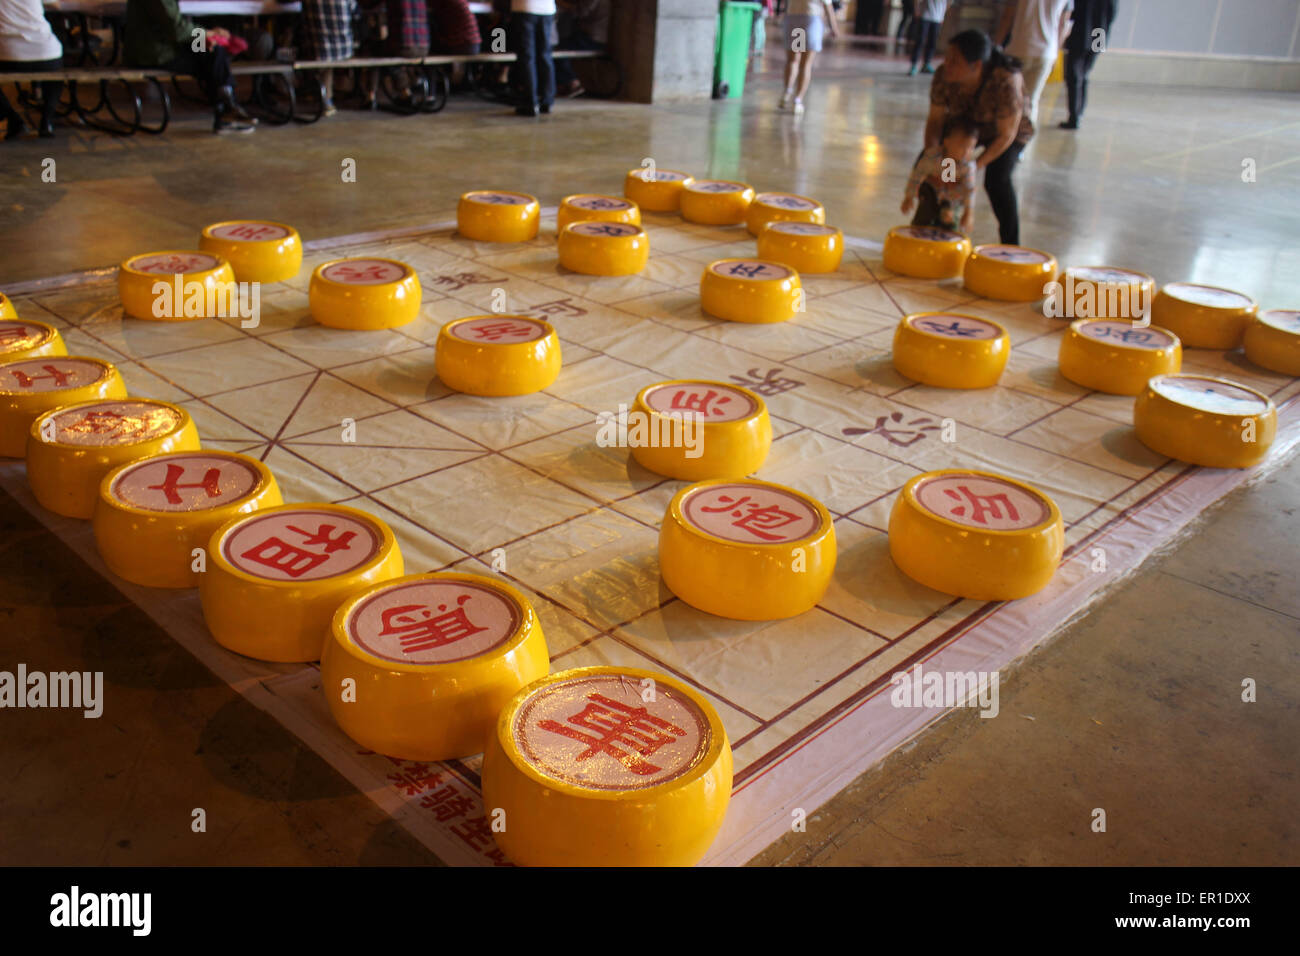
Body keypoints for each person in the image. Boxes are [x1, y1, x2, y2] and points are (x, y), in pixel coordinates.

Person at [925, 29, 1033, 244]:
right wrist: (935, 157)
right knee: (935, 172)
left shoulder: (1006, 81)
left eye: (955, 61)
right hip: (965, 127)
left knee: (997, 180)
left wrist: (972, 167)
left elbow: (1006, 135)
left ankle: (1011, 245)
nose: (947, 64)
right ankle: (934, 228)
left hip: (1006, 135)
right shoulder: (943, 76)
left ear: (977, 66)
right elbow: (935, 122)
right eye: (947, 58)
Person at [124, 0, 255, 132]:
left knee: (213, 50)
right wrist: (207, 33)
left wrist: (206, 36)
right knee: (212, 56)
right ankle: (227, 110)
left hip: (165, 46)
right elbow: (177, 29)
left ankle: (227, 110)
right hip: (153, 53)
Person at [996, 0, 1072, 130]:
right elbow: (1063, 25)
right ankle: (1023, 142)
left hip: (1018, 48)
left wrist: (996, 46)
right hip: (1046, 52)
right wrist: (1056, 52)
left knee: (1009, 100)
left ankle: (1006, 138)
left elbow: (1007, 17)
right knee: (1031, 101)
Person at [901, 115, 979, 233]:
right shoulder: (932, 157)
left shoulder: (968, 166)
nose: (966, 152)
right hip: (930, 192)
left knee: (949, 221)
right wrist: (909, 196)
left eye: (971, 147)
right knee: (923, 218)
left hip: (953, 198)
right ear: (946, 142)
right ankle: (918, 234)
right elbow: (917, 175)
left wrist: (969, 213)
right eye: (961, 146)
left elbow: (969, 190)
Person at [0, 0, 65, 139]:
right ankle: (47, 120)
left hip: (9, 53)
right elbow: (56, 3)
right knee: (56, 70)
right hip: (46, 51)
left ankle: (13, 118)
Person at [1059, 0, 1115, 129]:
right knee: (1085, 73)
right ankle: (1079, 112)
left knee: (1073, 76)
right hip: (1100, 33)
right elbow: (1112, 13)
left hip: (1082, 32)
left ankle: (1074, 116)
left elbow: (1072, 12)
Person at [779, 0, 839, 116]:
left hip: (794, 18)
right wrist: (834, 27)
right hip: (810, 19)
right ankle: (797, 100)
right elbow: (828, 5)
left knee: (793, 60)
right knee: (805, 64)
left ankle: (787, 92)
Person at [302, 0, 357, 114]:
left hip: (317, 49)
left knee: (321, 52)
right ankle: (358, 90)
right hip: (344, 49)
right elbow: (356, 13)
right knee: (365, 43)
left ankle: (325, 98)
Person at [509, 0, 555, 116]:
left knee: (527, 57)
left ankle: (529, 102)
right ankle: (547, 101)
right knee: (545, 56)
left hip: (525, 7)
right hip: (547, 9)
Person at [554, 0, 607, 98]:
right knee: (560, 46)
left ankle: (572, 83)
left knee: (559, 50)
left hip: (590, 38)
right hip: (593, 37)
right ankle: (565, 84)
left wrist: (562, 4)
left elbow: (580, 12)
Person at [908, 0, 947, 75]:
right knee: (920, 41)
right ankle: (914, 65)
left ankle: (926, 64)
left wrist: (942, 16)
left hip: (937, 18)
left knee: (932, 42)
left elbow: (946, 4)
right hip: (925, 16)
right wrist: (916, 10)